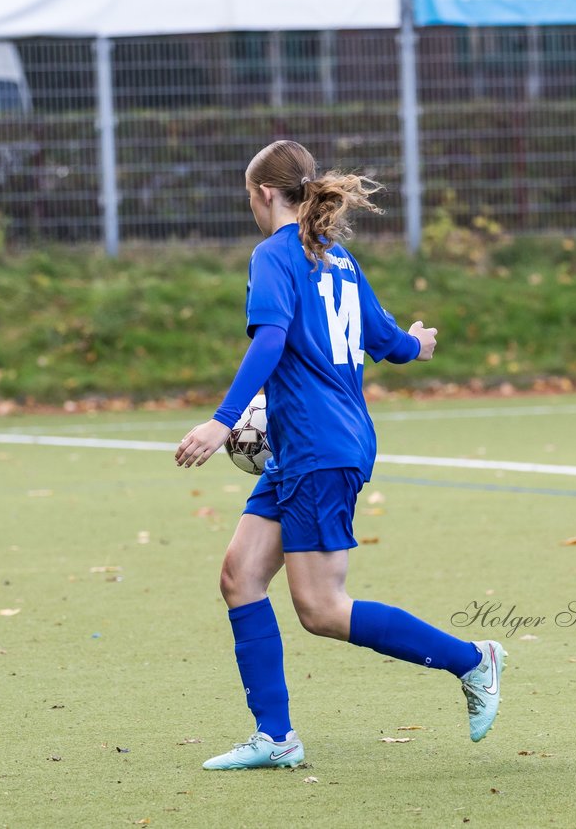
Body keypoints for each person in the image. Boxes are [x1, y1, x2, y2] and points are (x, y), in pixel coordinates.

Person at [174, 140, 506, 771]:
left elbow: (272, 337)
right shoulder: (338, 259)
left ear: (265, 195)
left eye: (249, 197)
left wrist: (222, 424)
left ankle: (474, 660)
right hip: (311, 446)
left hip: (321, 449)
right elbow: (389, 341)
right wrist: (419, 344)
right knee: (239, 576)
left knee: (321, 609)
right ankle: (277, 737)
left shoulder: (274, 253)